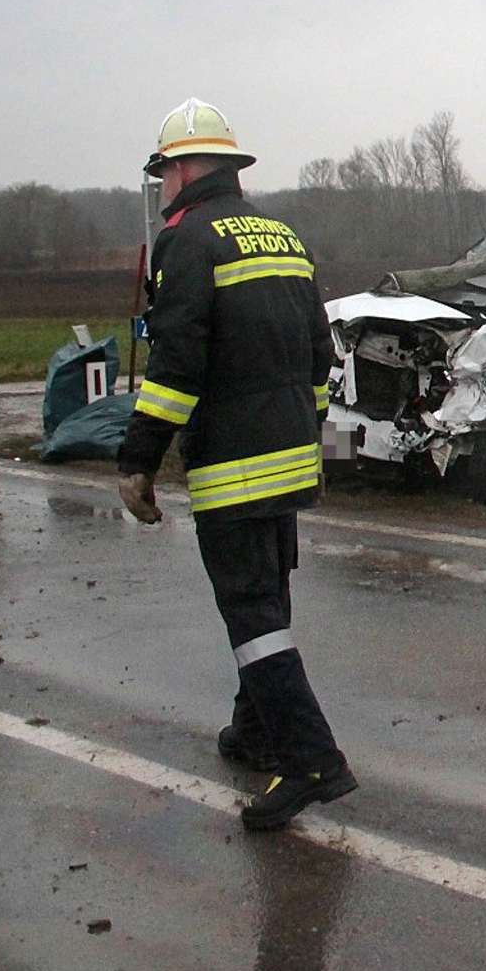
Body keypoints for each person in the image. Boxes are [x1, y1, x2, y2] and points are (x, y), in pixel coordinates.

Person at [115, 98, 354, 832]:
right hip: (289, 454)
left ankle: (312, 760)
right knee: (268, 600)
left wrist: (138, 460)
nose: (162, 188)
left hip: (236, 463)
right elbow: (321, 352)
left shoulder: (186, 243)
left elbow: (176, 365)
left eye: (164, 174)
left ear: (182, 169)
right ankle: (254, 730)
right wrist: (305, 428)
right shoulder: (279, 234)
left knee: (252, 618)